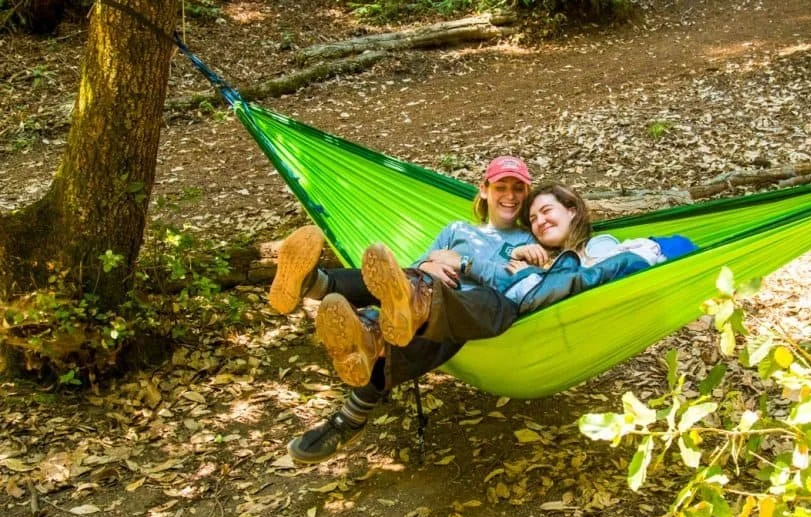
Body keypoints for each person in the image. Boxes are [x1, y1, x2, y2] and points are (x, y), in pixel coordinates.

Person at [270, 156, 536, 464]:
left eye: (518, 188)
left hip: (468, 313)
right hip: (419, 297)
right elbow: (406, 272)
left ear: (527, 194)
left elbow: (522, 283)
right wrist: (428, 265)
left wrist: (462, 263)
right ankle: (314, 285)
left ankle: (328, 297)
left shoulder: (530, 239)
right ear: (484, 190)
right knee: (403, 293)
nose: (510, 195)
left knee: (421, 318)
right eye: (501, 187)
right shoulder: (457, 229)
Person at [502, 182, 698, 313]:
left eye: (546, 211)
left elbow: (598, 281)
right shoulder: (536, 261)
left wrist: (530, 275)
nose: (540, 221)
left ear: (572, 211)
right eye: (533, 219)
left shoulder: (600, 246)